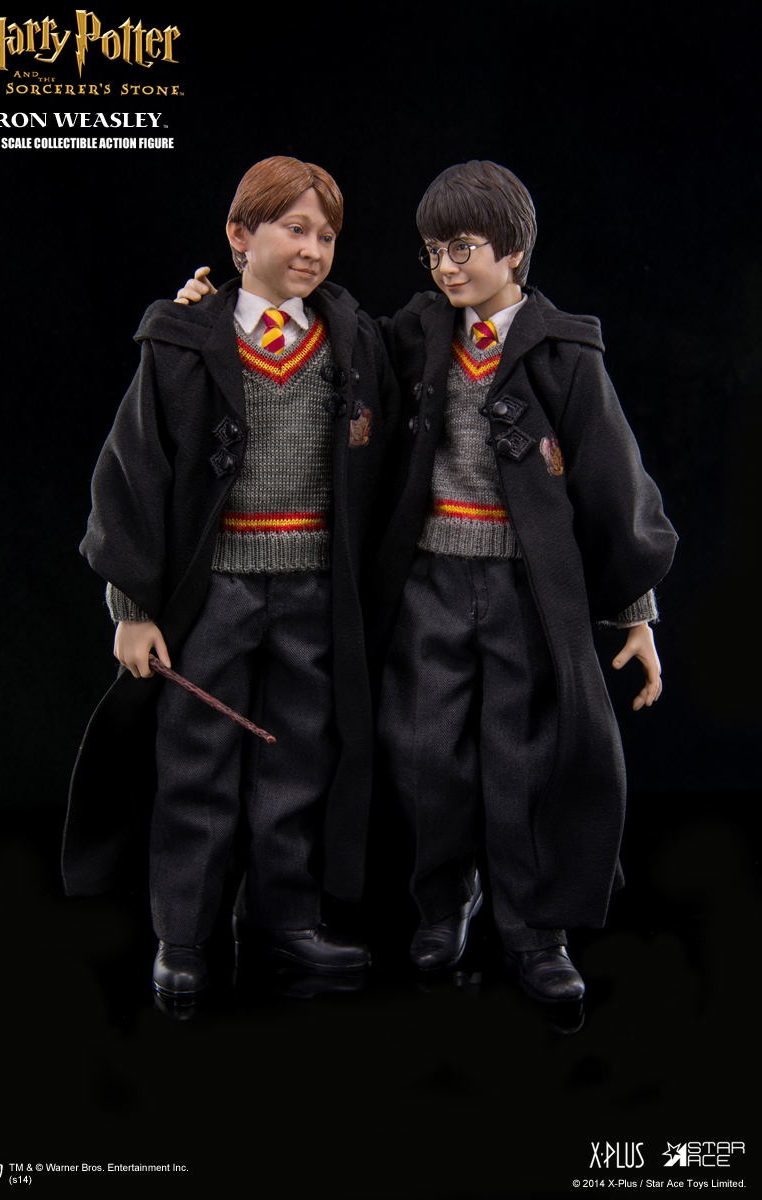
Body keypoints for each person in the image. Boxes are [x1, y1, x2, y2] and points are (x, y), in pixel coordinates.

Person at [173, 159, 678, 1008]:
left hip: (520, 589)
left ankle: (534, 934)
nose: (446, 267)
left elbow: (612, 482)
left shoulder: (564, 354)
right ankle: (442, 905)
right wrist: (209, 312)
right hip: (429, 584)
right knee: (422, 754)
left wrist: (635, 611)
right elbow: (320, 326)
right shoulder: (416, 334)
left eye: (463, 248)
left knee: (520, 761)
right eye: (434, 252)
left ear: (513, 251)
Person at [63, 156, 397, 1000]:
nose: (313, 249)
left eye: (327, 235)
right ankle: (184, 933)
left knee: (298, 760)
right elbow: (132, 472)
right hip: (214, 593)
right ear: (240, 235)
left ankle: (284, 922)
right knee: (196, 762)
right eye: (294, 228)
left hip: (313, 590)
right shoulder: (186, 341)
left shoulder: (351, 337)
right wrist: (132, 606)